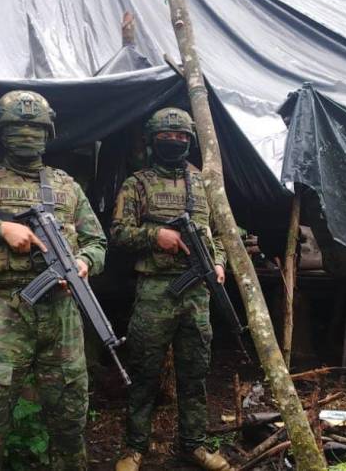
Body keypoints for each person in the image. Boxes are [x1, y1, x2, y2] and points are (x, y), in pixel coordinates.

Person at [0, 90, 107, 471]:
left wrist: (83, 261)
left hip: (61, 315)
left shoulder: (67, 187)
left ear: (48, 132)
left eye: (34, 127)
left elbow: (98, 241)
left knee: (70, 419)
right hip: (4, 312)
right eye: (17, 127)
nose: (27, 134)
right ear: (0, 131)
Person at [112, 107, 232, 471]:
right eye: (168, 135)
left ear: (191, 140)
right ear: (153, 140)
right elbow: (117, 233)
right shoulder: (137, 183)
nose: (175, 141)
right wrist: (155, 235)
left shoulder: (202, 182)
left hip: (197, 293)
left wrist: (219, 262)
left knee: (195, 373)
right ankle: (134, 448)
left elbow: (220, 231)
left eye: (182, 136)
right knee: (144, 372)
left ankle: (193, 446)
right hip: (155, 290)